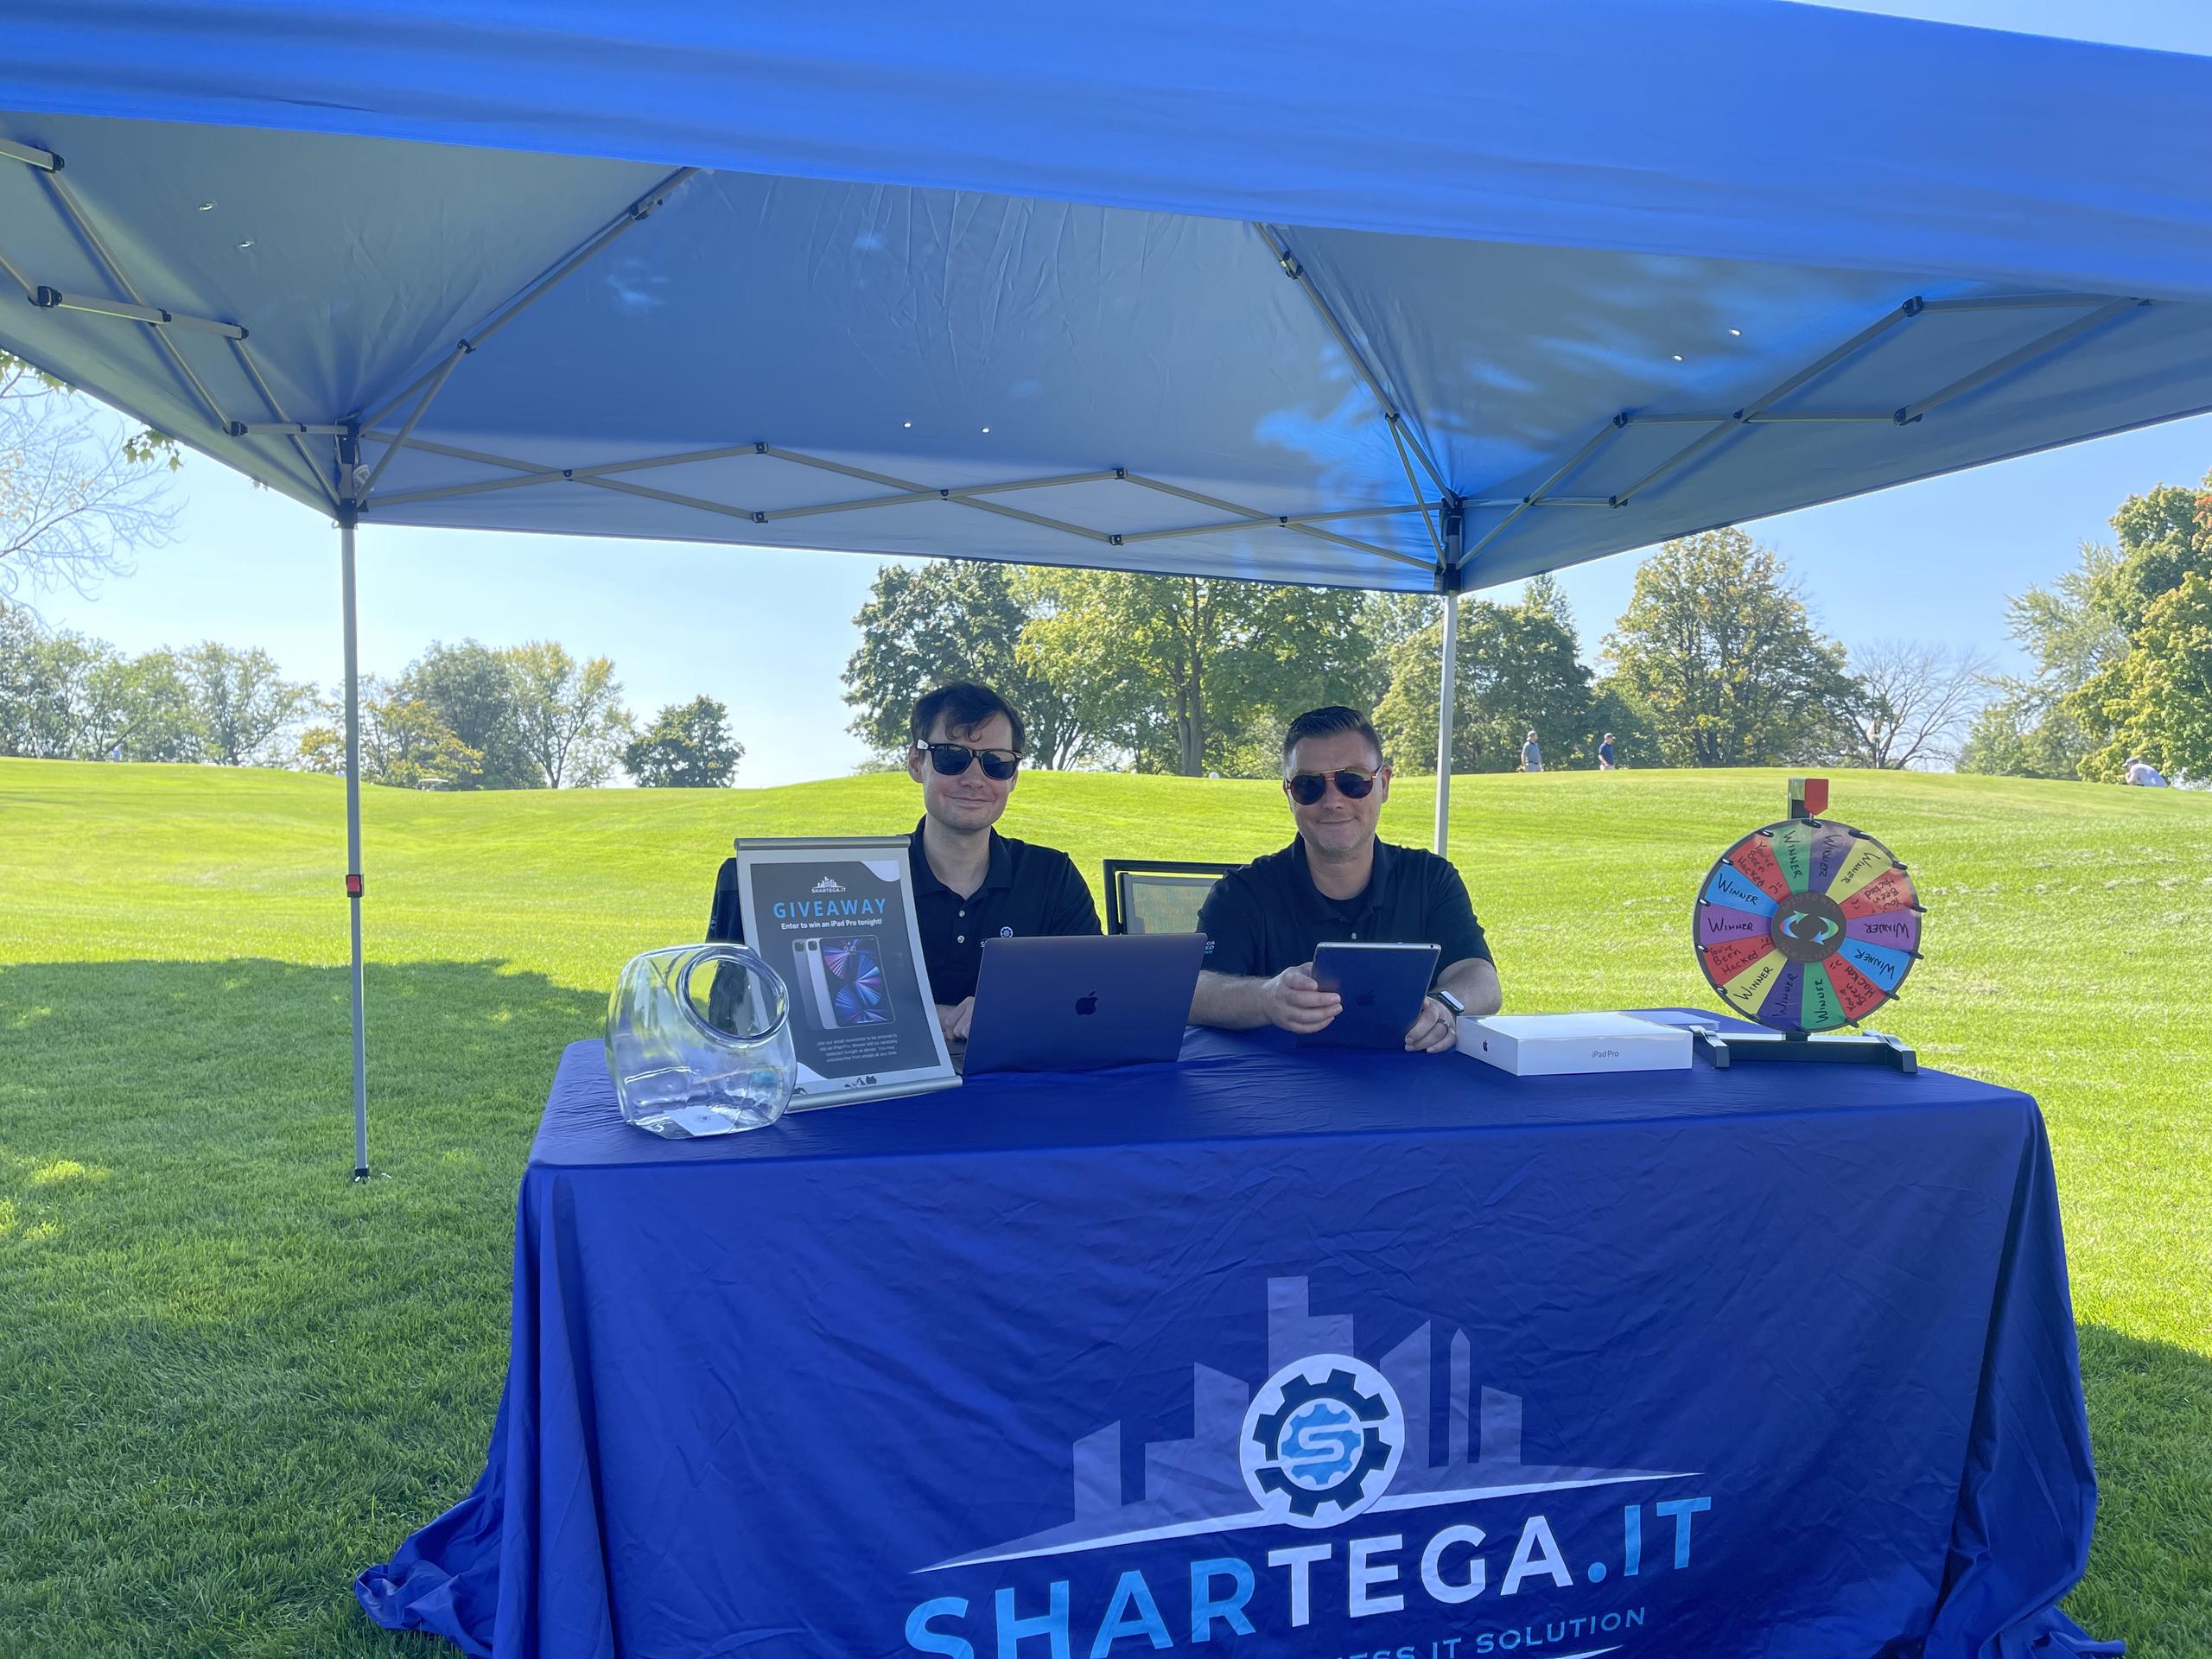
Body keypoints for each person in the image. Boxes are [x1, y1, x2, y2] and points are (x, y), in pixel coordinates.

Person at [707, 682, 1098, 1042]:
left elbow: (1091, 996)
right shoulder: (849, 883)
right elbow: (806, 1007)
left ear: (1013, 777)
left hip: (1019, 1085)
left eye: (996, 762)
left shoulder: (1053, 878)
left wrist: (1010, 1010)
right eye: (951, 758)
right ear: (915, 762)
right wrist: (937, 1018)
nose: (974, 779)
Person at [1190, 705, 1502, 1052]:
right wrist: (1266, 998)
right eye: (1309, 786)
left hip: (1411, 1076)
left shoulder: (1430, 879)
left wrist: (1445, 1006)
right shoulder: (1241, 893)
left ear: (1383, 784)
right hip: (1277, 1081)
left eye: (1353, 781)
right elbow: (1193, 991)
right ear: (1289, 795)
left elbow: (1480, 978)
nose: (1333, 802)